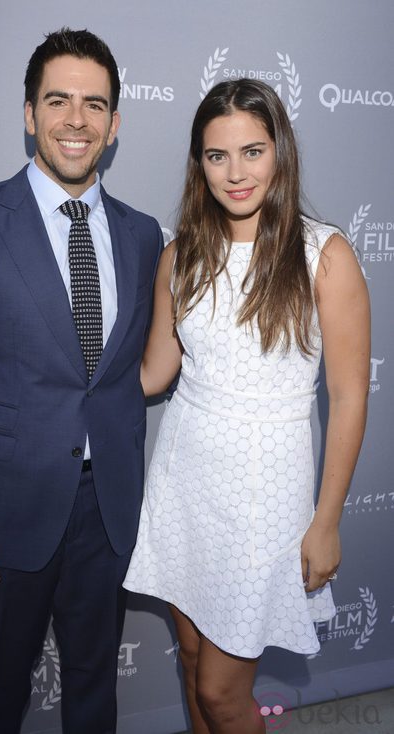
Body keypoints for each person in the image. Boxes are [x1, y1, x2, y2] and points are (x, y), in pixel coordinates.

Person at [0, 27, 162, 734]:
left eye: (94, 104)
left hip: (107, 514)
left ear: (114, 124)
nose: (75, 119)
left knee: (93, 698)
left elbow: (127, 373)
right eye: (58, 100)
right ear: (29, 113)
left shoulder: (144, 235)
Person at [123, 79, 370, 734]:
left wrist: (327, 520)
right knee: (195, 668)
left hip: (265, 501)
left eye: (252, 151)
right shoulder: (181, 257)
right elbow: (153, 372)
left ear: (280, 152)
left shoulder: (326, 256)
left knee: (225, 695)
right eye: (216, 155)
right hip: (185, 486)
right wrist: (61, 370)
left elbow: (348, 397)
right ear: (198, 163)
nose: (235, 173)